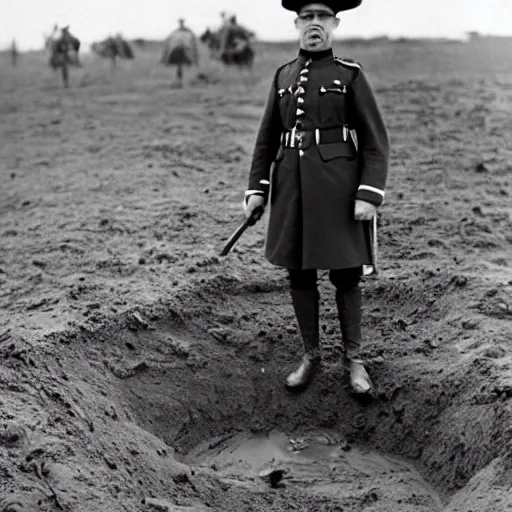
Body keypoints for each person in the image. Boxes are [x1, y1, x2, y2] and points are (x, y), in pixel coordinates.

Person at [243, 0, 389, 394]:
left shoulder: (350, 75)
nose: (314, 24)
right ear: (296, 24)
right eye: (307, 17)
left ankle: (354, 361)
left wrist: (368, 194)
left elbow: (376, 142)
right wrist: (258, 189)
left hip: (339, 188)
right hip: (291, 186)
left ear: (335, 23)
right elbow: (266, 138)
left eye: (322, 17)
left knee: (345, 273)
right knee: (299, 272)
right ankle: (311, 356)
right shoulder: (283, 76)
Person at [162, 19, 198, 87]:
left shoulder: (187, 32)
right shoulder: (176, 32)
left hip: (185, 50)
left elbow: (191, 43)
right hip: (179, 50)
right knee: (179, 65)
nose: (181, 23)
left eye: (182, 22)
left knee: (185, 65)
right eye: (180, 22)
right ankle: (179, 80)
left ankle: (184, 80)